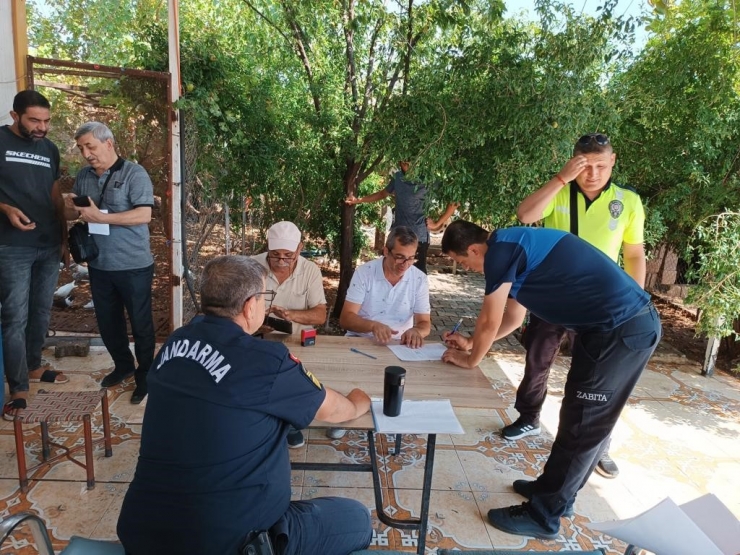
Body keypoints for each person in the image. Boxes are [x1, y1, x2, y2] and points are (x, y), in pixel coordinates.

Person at [117, 255, 373, 555]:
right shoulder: (266, 361)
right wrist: (359, 401)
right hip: (233, 543)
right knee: (356, 520)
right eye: (264, 298)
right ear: (250, 305)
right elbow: (335, 410)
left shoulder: (174, 344)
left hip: (142, 532)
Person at [440, 220, 660, 539]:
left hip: (622, 329)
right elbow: (513, 319)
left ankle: (545, 516)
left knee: (584, 426)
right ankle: (552, 491)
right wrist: (472, 343)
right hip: (603, 330)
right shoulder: (513, 248)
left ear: (474, 249)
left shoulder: (502, 250)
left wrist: (470, 360)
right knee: (575, 417)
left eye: (463, 262)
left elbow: (489, 320)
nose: (468, 268)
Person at [511, 132, 646, 479]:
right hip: (553, 296)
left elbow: (633, 255)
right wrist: (561, 178)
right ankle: (527, 417)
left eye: (601, 165)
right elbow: (525, 215)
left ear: (613, 161)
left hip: (602, 303)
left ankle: (598, 444)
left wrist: (635, 302)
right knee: (537, 360)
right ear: (574, 162)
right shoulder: (557, 193)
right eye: (586, 166)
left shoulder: (627, 201)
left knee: (600, 378)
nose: (593, 174)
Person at [65, 122, 155, 405]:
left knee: (140, 323)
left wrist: (101, 218)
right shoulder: (84, 176)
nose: (86, 153)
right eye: (82, 148)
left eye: (90, 146)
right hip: (99, 264)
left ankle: (145, 375)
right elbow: (73, 213)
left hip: (133, 264)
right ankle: (124, 365)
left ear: (109, 143)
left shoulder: (134, 173)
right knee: (108, 322)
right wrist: (70, 205)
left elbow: (143, 215)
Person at [0, 90, 69, 420]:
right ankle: (18, 387)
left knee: (41, 310)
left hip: (48, 243)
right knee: (15, 315)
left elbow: (54, 194)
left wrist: (65, 237)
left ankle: (33, 366)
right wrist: (4, 207)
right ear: (15, 116)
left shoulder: (49, 149)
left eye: (46, 121)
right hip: (12, 245)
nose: (42, 127)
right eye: (34, 120)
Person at [252, 220, 328, 447]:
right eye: (275, 255)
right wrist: (256, 324)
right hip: (261, 340)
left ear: (299, 248)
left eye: (288, 255)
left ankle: (291, 423)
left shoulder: (310, 270)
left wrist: (290, 315)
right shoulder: (251, 266)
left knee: (299, 381)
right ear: (267, 247)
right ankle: (272, 424)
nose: (282, 262)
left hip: (299, 343)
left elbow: (320, 316)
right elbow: (237, 311)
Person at [346, 160, 458, 274]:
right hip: (397, 235)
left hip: (418, 238)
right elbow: (383, 193)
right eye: (404, 163)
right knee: (392, 271)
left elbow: (455, 200)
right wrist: (359, 200)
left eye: (410, 163)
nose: (407, 166)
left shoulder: (428, 180)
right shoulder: (398, 177)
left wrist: (437, 224)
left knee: (416, 275)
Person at [340, 226, 431, 348]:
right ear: (386, 251)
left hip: (400, 344)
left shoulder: (419, 278)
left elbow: (424, 323)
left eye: (411, 258)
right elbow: (346, 319)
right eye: (400, 257)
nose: (405, 264)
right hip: (360, 341)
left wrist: (417, 331)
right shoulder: (364, 273)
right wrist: (372, 326)